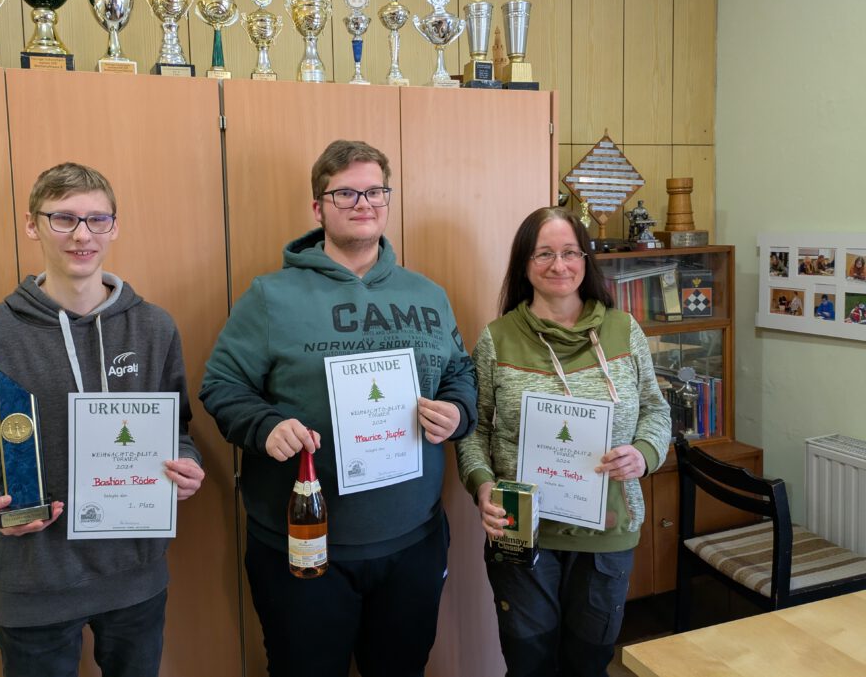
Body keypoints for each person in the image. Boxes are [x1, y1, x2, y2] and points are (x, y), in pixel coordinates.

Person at [199, 139, 477, 677]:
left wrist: (457, 411)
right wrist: (265, 425)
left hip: (413, 541)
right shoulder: (270, 296)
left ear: (388, 200)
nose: (362, 202)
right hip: (303, 548)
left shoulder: (428, 295)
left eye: (375, 190)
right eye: (345, 192)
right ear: (318, 207)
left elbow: (460, 371)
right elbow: (222, 384)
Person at [0, 163, 204, 677]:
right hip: (33, 578)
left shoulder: (154, 327)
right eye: (63, 219)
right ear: (32, 224)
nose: (82, 235)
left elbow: (178, 427)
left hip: (136, 576)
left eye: (97, 220)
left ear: (114, 227)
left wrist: (185, 464)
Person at [455, 206, 671, 677]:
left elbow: (656, 409)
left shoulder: (623, 329)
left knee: (588, 662)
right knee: (528, 661)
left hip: (608, 527)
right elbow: (476, 429)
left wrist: (644, 453)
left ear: (586, 260)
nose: (560, 265)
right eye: (545, 254)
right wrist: (481, 483)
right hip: (520, 525)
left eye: (571, 252)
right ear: (524, 264)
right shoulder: (496, 339)